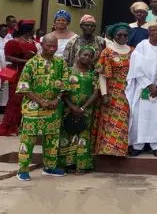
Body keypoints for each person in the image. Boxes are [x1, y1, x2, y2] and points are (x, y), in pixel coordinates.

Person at [16, 35, 67, 181]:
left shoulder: (61, 63)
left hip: (53, 108)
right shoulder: (31, 63)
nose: (52, 49)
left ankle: (49, 167)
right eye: (49, 46)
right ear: (42, 45)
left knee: (52, 139)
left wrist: (57, 99)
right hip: (33, 108)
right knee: (28, 139)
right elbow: (24, 87)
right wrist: (40, 101)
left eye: (54, 46)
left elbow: (65, 83)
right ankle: (23, 170)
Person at [126, 23, 157, 157]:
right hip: (143, 87)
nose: (155, 32)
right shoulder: (141, 46)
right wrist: (149, 85)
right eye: (153, 30)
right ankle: (137, 146)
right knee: (140, 117)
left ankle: (156, 146)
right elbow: (136, 68)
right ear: (148, 32)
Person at [58, 46, 100, 174]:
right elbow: (63, 91)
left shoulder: (93, 74)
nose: (87, 58)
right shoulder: (68, 71)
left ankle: (81, 165)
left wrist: (83, 108)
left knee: (83, 136)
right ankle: (66, 164)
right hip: (68, 110)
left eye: (90, 56)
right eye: (85, 55)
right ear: (78, 55)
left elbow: (95, 93)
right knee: (67, 134)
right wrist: (72, 107)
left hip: (85, 111)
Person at [93, 23, 132, 157]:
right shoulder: (107, 52)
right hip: (111, 90)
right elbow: (102, 75)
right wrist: (104, 94)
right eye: (119, 35)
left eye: (125, 35)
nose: (122, 37)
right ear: (113, 36)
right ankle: (107, 149)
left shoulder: (132, 51)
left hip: (128, 91)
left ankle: (120, 150)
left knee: (123, 120)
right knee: (110, 120)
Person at [0, 20, 39, 136]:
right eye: (32, 28)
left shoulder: (32, 41)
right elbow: (8, 57)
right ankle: (11, 126)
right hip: (18, 73)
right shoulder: (14, 42)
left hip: (31, 73)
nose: (34, 30)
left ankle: (23, 124)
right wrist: (25, 61)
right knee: (15, 99)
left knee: (27, 98)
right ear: (27, 29)